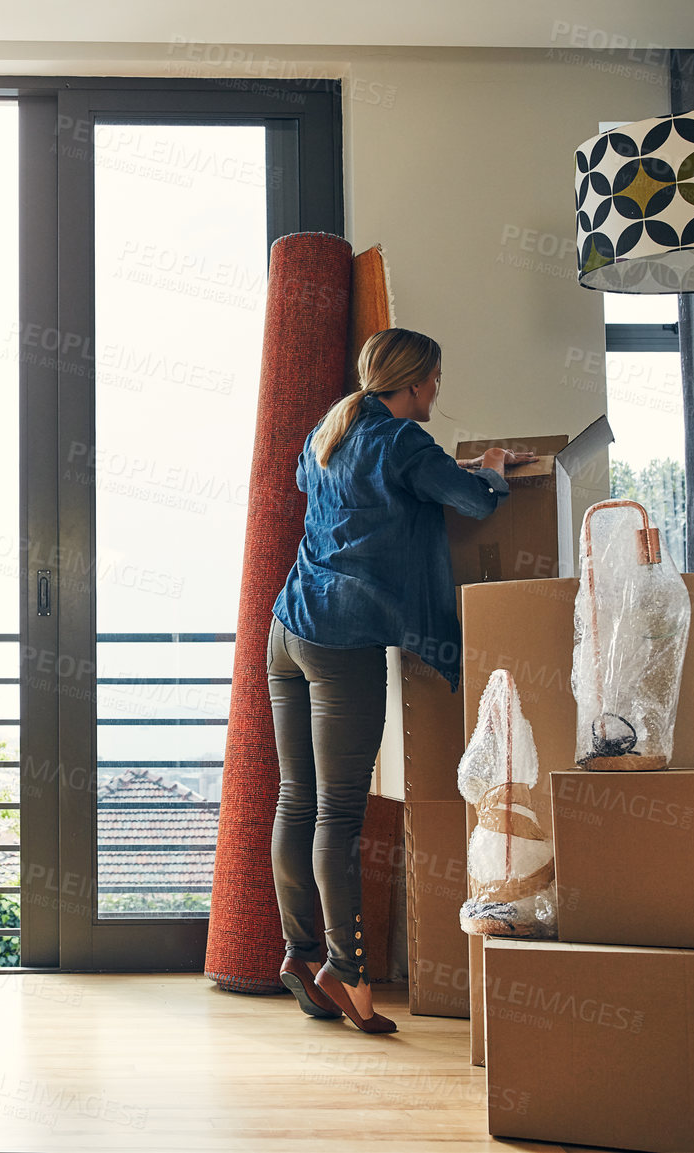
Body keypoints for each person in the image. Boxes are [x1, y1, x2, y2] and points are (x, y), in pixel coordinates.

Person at [267, 327, 533, 1034]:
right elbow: (476, 503)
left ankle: (301, 953)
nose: (437, 393)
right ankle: (348, 972)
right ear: (413, 383)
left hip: (288, 627)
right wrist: (495, 470)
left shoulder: (336, 423)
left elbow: (316, 480)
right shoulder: (403, 443)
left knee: (298, 797)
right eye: (434, 382)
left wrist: (442, 470)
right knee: (339, 813)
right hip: (341, 643)